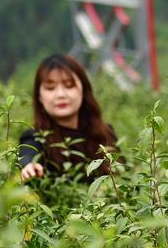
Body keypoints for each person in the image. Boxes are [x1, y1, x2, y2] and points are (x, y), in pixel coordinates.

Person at [19, 54, 117, 182]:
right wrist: (29, 166)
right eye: (50, 88)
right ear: (39, 97)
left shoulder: (106, 134)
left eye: (69, 85)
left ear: (84, 90)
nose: (60, 94)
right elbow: (28, 153)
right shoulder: (35, 137)